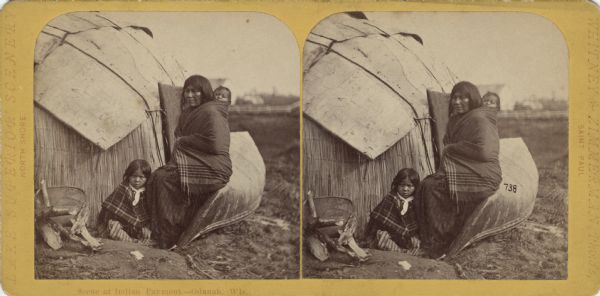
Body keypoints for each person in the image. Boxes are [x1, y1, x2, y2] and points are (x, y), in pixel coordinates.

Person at [416, 81, 502, 259]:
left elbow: (485, 152)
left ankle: (441, 242)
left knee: (432, 188)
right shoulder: (457, 119)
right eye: (455, 97)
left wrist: (454, 148)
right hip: (467, 169)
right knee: (428, 184)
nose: (457, 102)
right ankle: (435, 238)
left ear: (474, 99)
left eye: (464, 97)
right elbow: (449, 144)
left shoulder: (479, 119)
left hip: (483, 174)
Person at [147, 75, 232, 249]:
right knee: (157, 176)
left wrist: (186, 140)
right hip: (196, 162)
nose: (190, 95)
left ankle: (169, 238)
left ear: (205, 92)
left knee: (164, 180)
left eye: (195, 91)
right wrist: (184, 141)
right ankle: (161, 231)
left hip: (215, 167)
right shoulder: (189, 113)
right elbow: (180, 135)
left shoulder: (211, 112)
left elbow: (216, 144)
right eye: (187, 91)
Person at [97, 159, 153, 244]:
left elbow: (150, 213)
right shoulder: (122, 189)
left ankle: (139, 242)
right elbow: (107, 213)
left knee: (148, 232)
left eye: (141, 177)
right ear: (128, 176)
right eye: (134, 176)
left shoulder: (148, 192)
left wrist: (146, 226)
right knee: (113, 226)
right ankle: (132, 242)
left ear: (147, 178)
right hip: (123, 225)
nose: (137, 180)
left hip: (139, 228)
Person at [366, 168, 421, 253]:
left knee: (417, 243)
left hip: (408, 239)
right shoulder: (390, 199)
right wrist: (381, 233)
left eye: (409, 186)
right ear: (397, 185)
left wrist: (416, 236)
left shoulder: (417, 202)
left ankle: (408, 253)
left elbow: (421, 224)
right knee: (382, 237)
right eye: (402, 185)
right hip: (392, 238)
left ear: (415, 186)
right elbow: (375, 223)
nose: (405, 189)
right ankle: (399, 252)